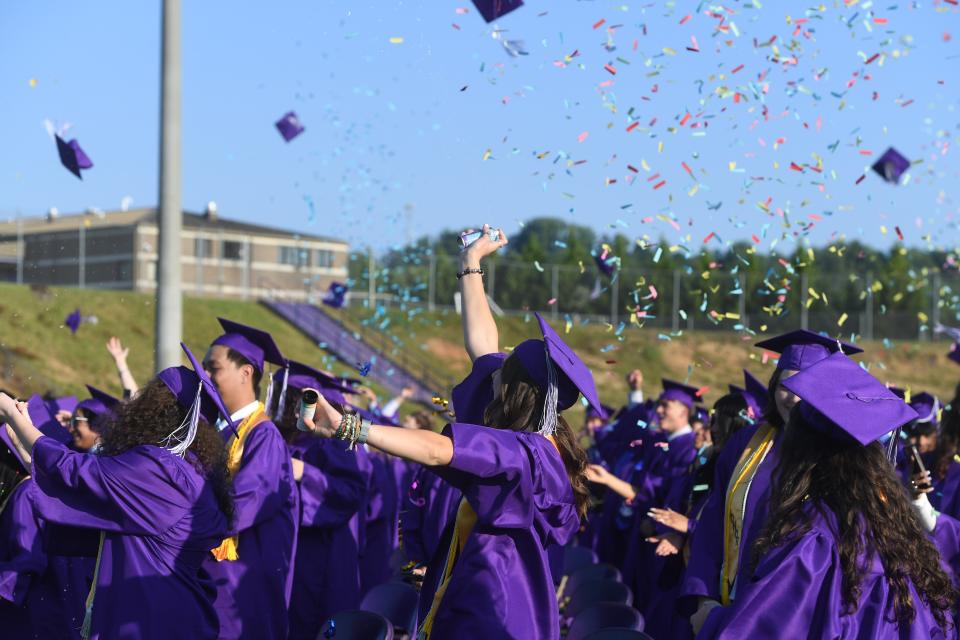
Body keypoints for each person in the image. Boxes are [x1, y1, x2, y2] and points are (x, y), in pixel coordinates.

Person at [697, 352, 956, 638]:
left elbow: (761, 631)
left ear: (802, 452)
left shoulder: (814, 541)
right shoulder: (900, 536)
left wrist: (709, 619)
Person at [0, 342, 234, 640]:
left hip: (151, 618)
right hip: (173, 614)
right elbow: (88, 491)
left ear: (160, 409)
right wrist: (22, 438)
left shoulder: (162, 470)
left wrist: (11, 413)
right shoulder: (189, 473)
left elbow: (79, 473)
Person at [682, 330, 863, 631]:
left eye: (804, 386)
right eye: (785, 385)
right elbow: (714, 521)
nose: (792, 398)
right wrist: (703, 598)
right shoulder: (746, 443)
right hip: (731, 607)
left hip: (803, 613)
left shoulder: (840, 455)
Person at [201, 318, 299, 640]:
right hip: (210, 578)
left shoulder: (263, 437)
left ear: (246, 372)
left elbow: (243, 505)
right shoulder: (215, 429)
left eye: (213, 368)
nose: (206, 377)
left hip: (240, 584)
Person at [269, 360, 373, 640]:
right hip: (291, 550)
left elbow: (350, 493)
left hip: (322, 554)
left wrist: (305, 473)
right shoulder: (286, 438)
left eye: (286, 396)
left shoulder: (335, 442)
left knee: (313, 622)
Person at [639, 393, 751, 640]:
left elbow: (736, 533)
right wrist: (680, 533)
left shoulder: (747, 478)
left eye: (721, 421)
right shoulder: (712, 466)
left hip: (714, 587)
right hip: (687, 573)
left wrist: (688, 527)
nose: (712, 430)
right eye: (713, 420)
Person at [67, 386, 121, 452]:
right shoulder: (72, 448)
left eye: (75, 422)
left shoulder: (105, 460)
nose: (70, 429)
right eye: (71, 420)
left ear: (99, 426)